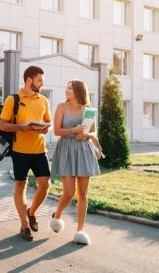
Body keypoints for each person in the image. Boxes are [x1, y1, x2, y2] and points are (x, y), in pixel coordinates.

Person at [0, 66, 52, 241]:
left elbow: (47, 122)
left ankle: (31, 212)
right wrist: (20, 127)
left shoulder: (43, 100)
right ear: (29, 80)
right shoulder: (12, 99)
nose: (42, 84)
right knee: (20, 187)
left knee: (45, 185)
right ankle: (24, 225)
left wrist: (44, 129)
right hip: (19, 151)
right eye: (39, 80)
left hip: (39, 149)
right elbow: (3, 125)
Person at [48, 79, 101, 245]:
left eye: (70, 88)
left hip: (84, 151)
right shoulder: (61, 107)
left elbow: (94, 132)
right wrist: (74, 130)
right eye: (66, 87)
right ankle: (57, 215)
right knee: (69, 192)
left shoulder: (88, 110)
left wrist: (85, 135)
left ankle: (80, 230)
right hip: (66, 150)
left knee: (83, 194)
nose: (67, 90)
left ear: (78, 91)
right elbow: (56, 131)